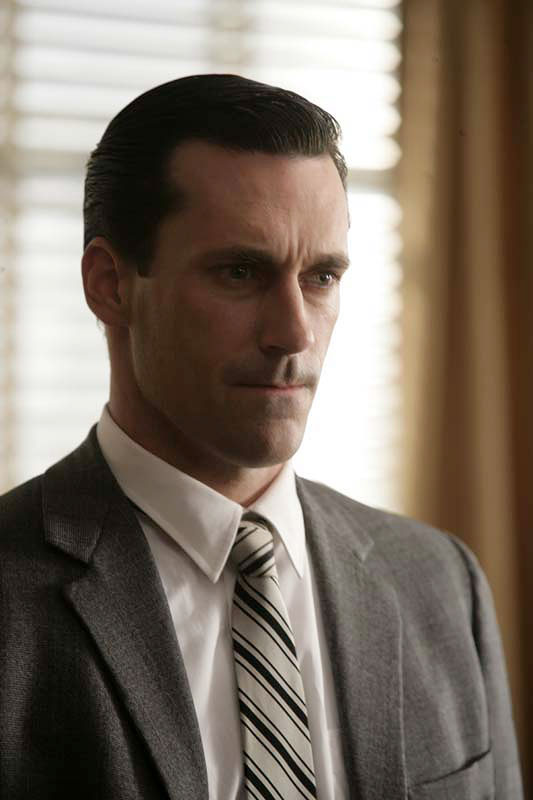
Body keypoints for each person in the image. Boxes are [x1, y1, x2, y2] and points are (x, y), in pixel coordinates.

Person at [0, 74, 523, 800]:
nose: (294, 333)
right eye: (240, 272)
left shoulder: (440, 583)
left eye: (321, 277)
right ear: (109, 284)